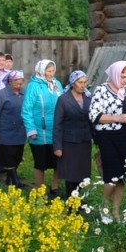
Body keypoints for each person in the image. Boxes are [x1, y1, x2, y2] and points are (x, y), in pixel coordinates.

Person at [89, 61, 126, 221]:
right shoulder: (101, 90)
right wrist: (117, 118)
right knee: (112, 174)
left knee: (125, 174)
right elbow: (94, 115)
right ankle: (104, 205)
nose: (125, 80)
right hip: (107, 137)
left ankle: (116, 211)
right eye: (122, 76)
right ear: (114, 74)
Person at [22, 59, 63, 197]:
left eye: (53, 71)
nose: (51, 74)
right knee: (41, 162)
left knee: (58, 160)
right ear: (41, 71)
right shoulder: (33, 86)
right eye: (48, 71)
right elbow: (26, 110)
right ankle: (40, 188)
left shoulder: (57, 84)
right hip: (39, 131)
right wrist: (31, 129)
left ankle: (55, 186)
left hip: (56, 130)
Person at [53, 70, 95, 198]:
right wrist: (57, 147)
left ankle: (76, 199)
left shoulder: (89, 98)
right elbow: (57, 124)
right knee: (71, 173)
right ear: (73, 83)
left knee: (83, 173)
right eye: (80, 82)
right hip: (69, 142)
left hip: (85, 141)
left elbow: (92, 120)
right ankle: (71, 202)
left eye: (85, 82)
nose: (83, 85)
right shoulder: (63, 99)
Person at [0, 70, 27, 187]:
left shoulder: (24, 93)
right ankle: (16, 181)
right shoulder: (2, 94)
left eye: (21, 81)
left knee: (17, 156)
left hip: (20, 130)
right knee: (9, 156)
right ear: (10, 82)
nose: (19, 84)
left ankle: (9, 179)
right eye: (16, 81)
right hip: (6, 130)